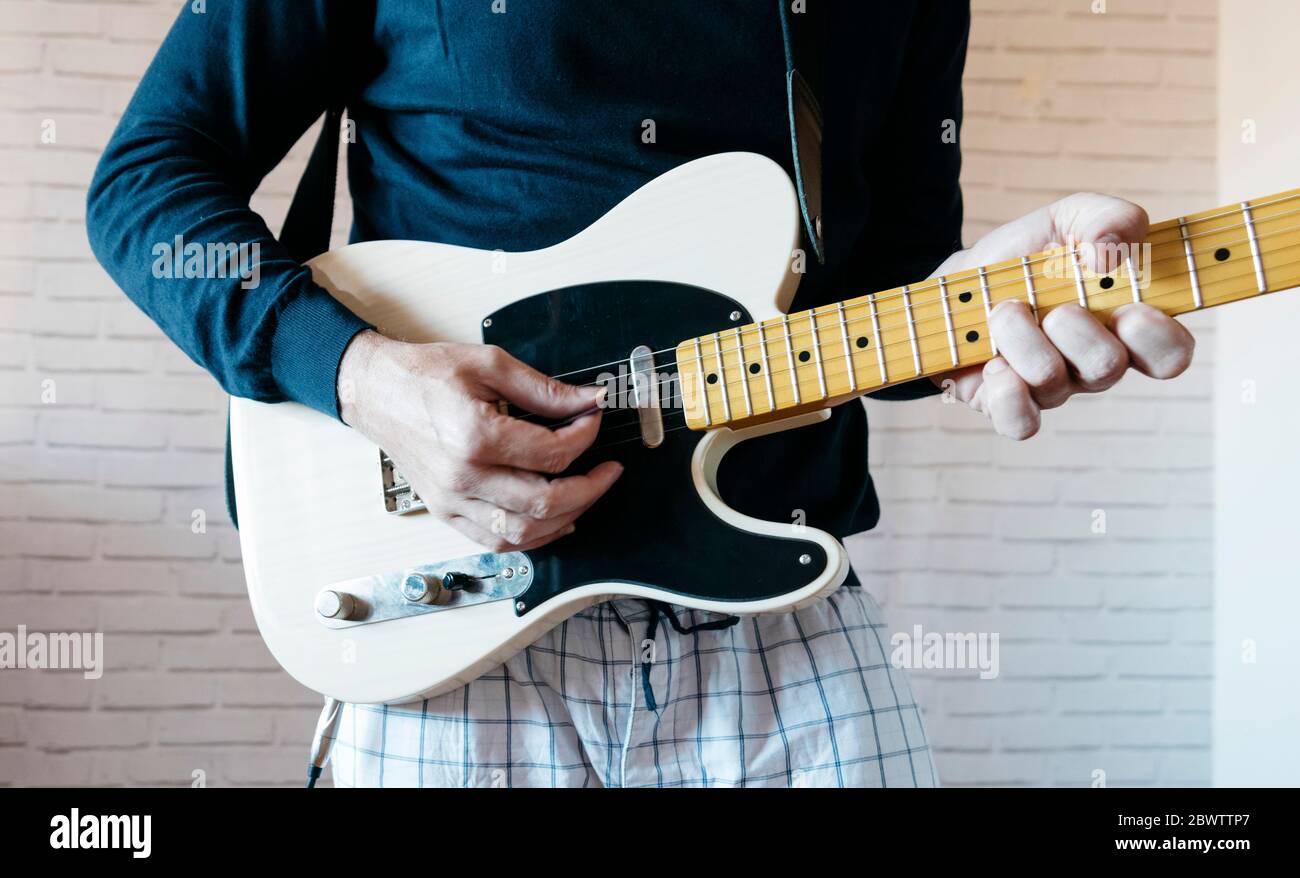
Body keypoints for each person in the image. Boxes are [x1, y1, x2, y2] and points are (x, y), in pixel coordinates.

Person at [87, 1, 1194, 787]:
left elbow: (870, 295)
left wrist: (965, 312)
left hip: (784, 621)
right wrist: (359, 372)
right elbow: (147, 178)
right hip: (459, 625)